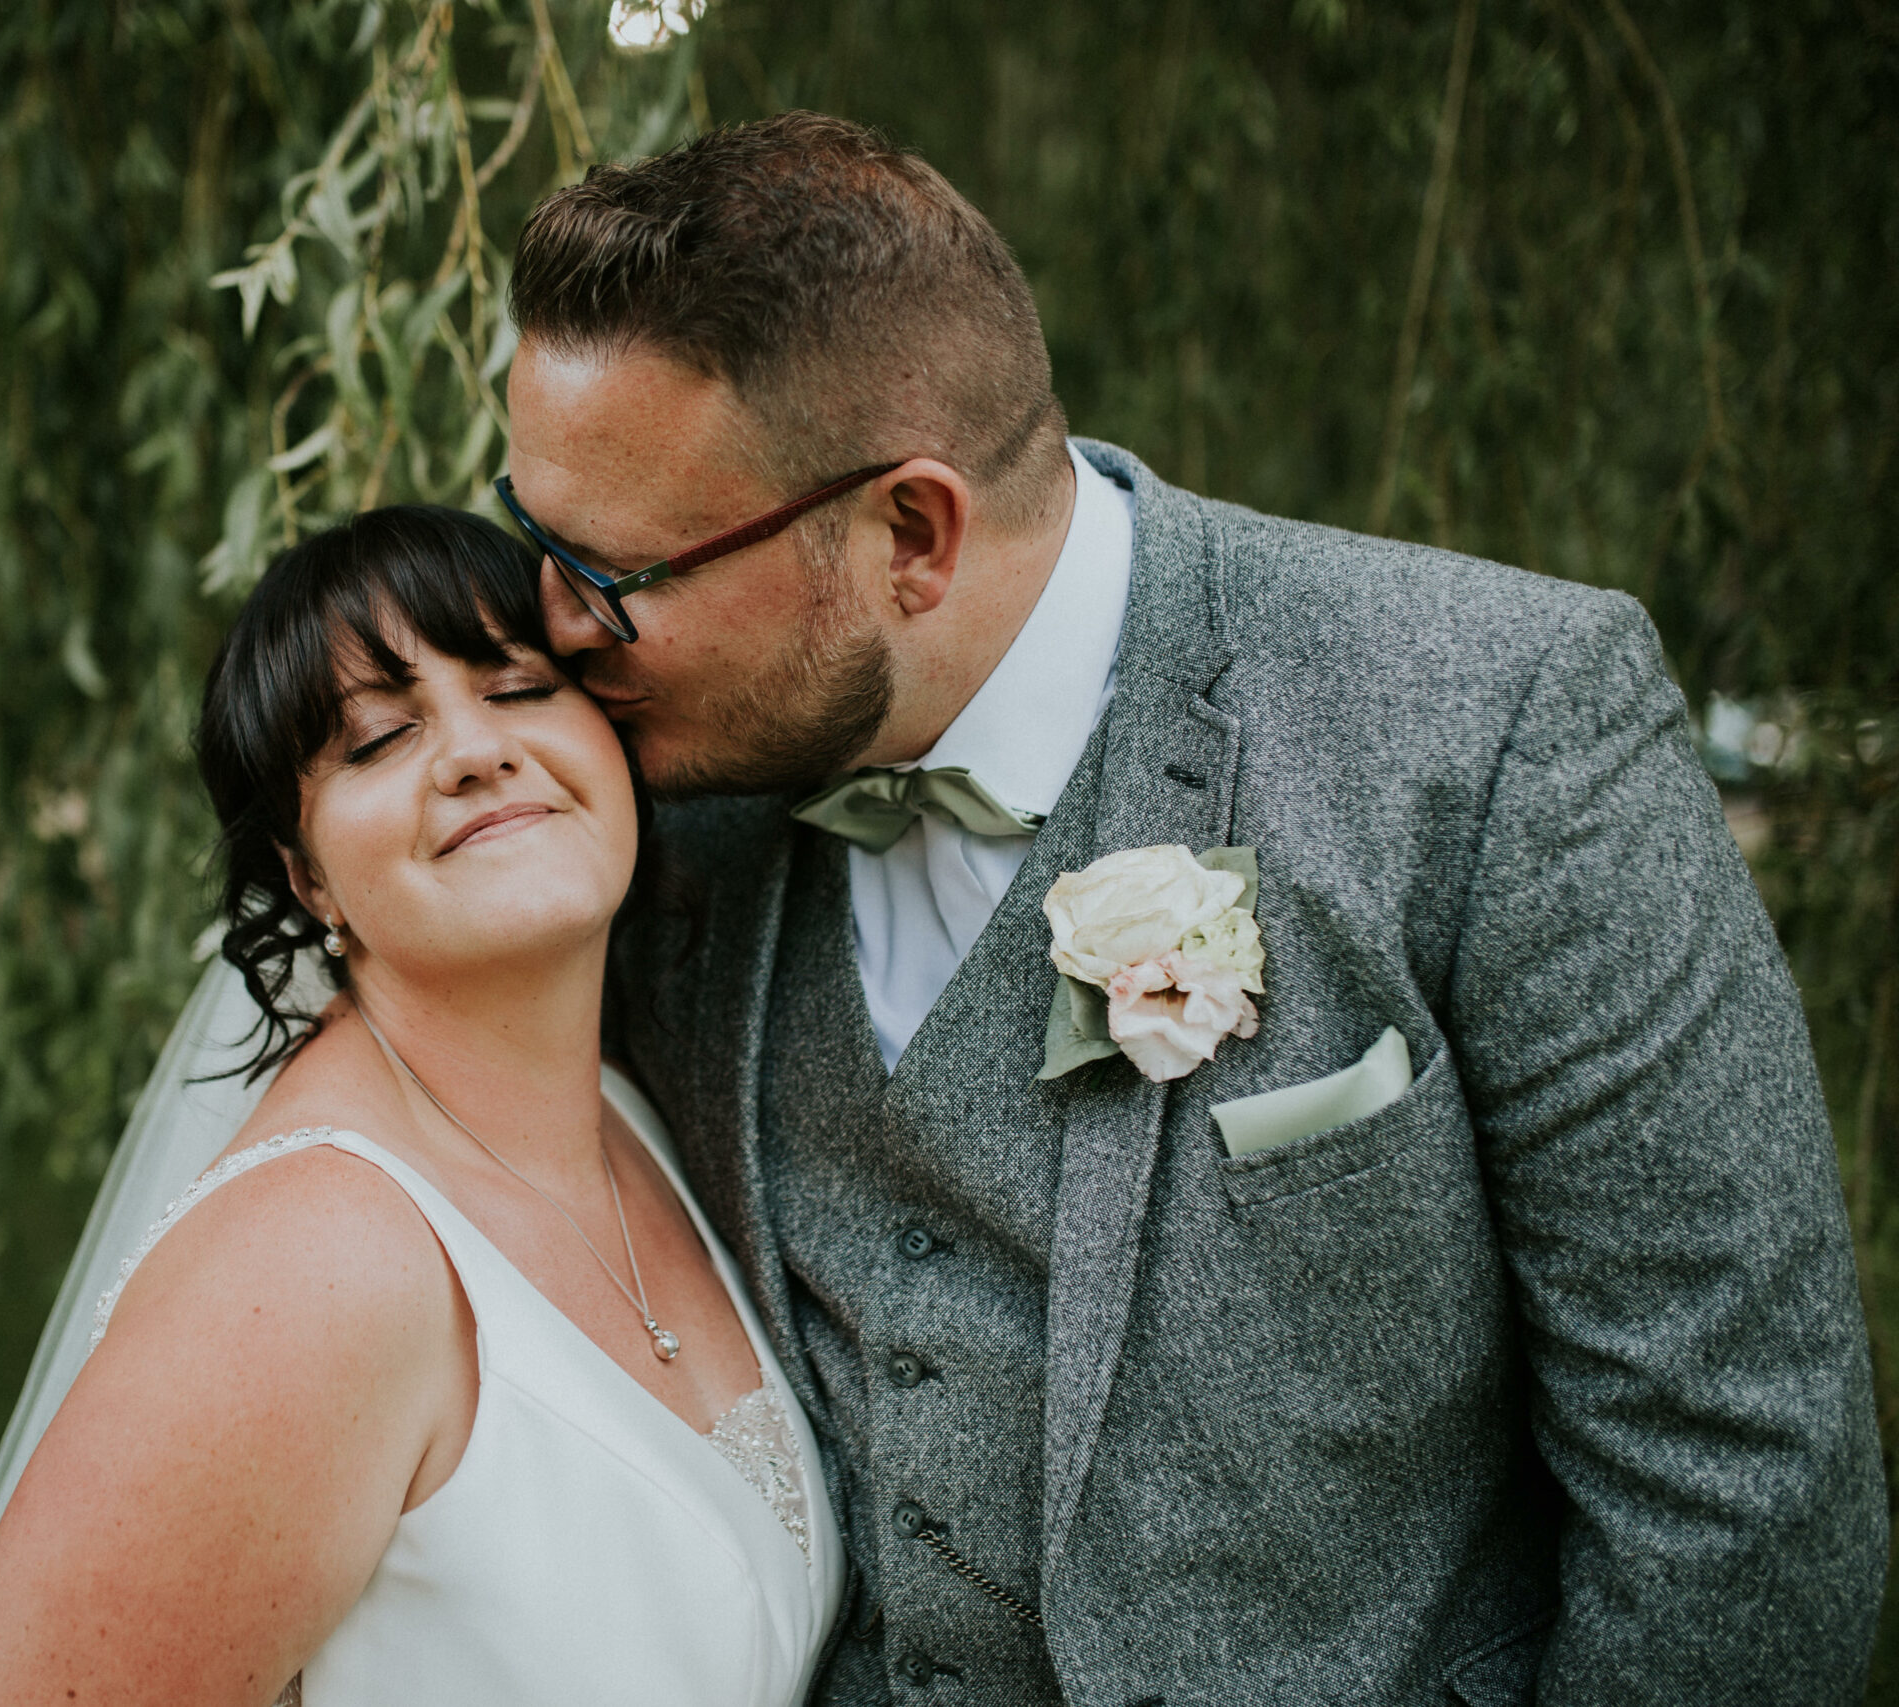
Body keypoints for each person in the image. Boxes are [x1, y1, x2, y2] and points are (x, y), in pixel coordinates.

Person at [498, 113, 1886, 1703]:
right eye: (528, 528)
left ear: (910, 532)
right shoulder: (623, 804)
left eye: (612, 573)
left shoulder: (1493, 731)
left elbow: (1740, 1504)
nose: (547, 625)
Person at [0, 507, 843, 1705]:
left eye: (517, 687)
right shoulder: (312, 1265)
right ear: (308, 877)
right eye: (373, 740)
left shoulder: (635, 1117)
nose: (473, 750)